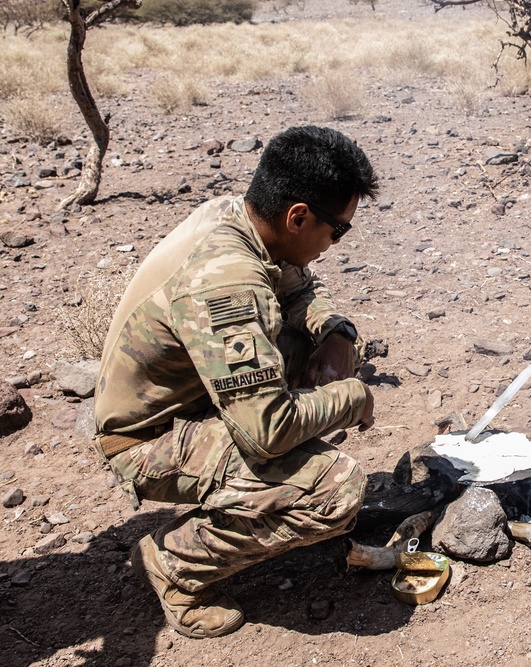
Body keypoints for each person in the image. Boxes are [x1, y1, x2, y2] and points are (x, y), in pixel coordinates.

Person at [93, 126, 379, 638]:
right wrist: (350, 396)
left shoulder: (245, 218)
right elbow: (267, 429)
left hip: (190, 398)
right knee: (335, 490)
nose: (335, 244)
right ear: (298, 216)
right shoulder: (226, 280)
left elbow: (298, 287)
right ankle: (175, 564)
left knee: (304, 351)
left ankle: (248, 494)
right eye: (338, 231)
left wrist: (337, 332)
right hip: (146, 438)